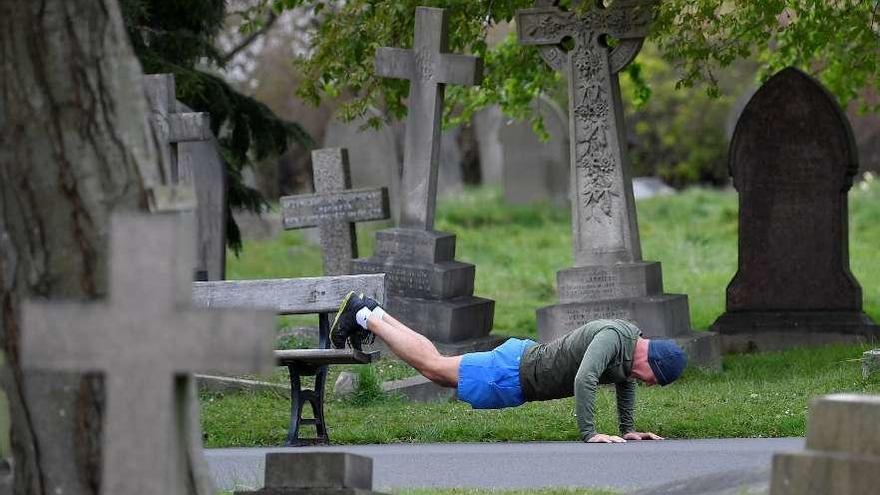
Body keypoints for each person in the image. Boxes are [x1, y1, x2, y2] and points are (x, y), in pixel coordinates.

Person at [329, 291, 688, 443]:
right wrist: (590, 433)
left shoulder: (628, 346)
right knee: (434, 368)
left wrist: (628, 429)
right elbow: (585, 378)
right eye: (656, 379)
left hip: (517, 369)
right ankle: (362, 315)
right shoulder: (613, 337)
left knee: (436, 366)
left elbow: (623, 380)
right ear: (651, 361)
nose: (650, 385)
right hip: (512, 373)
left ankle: (371, 312)